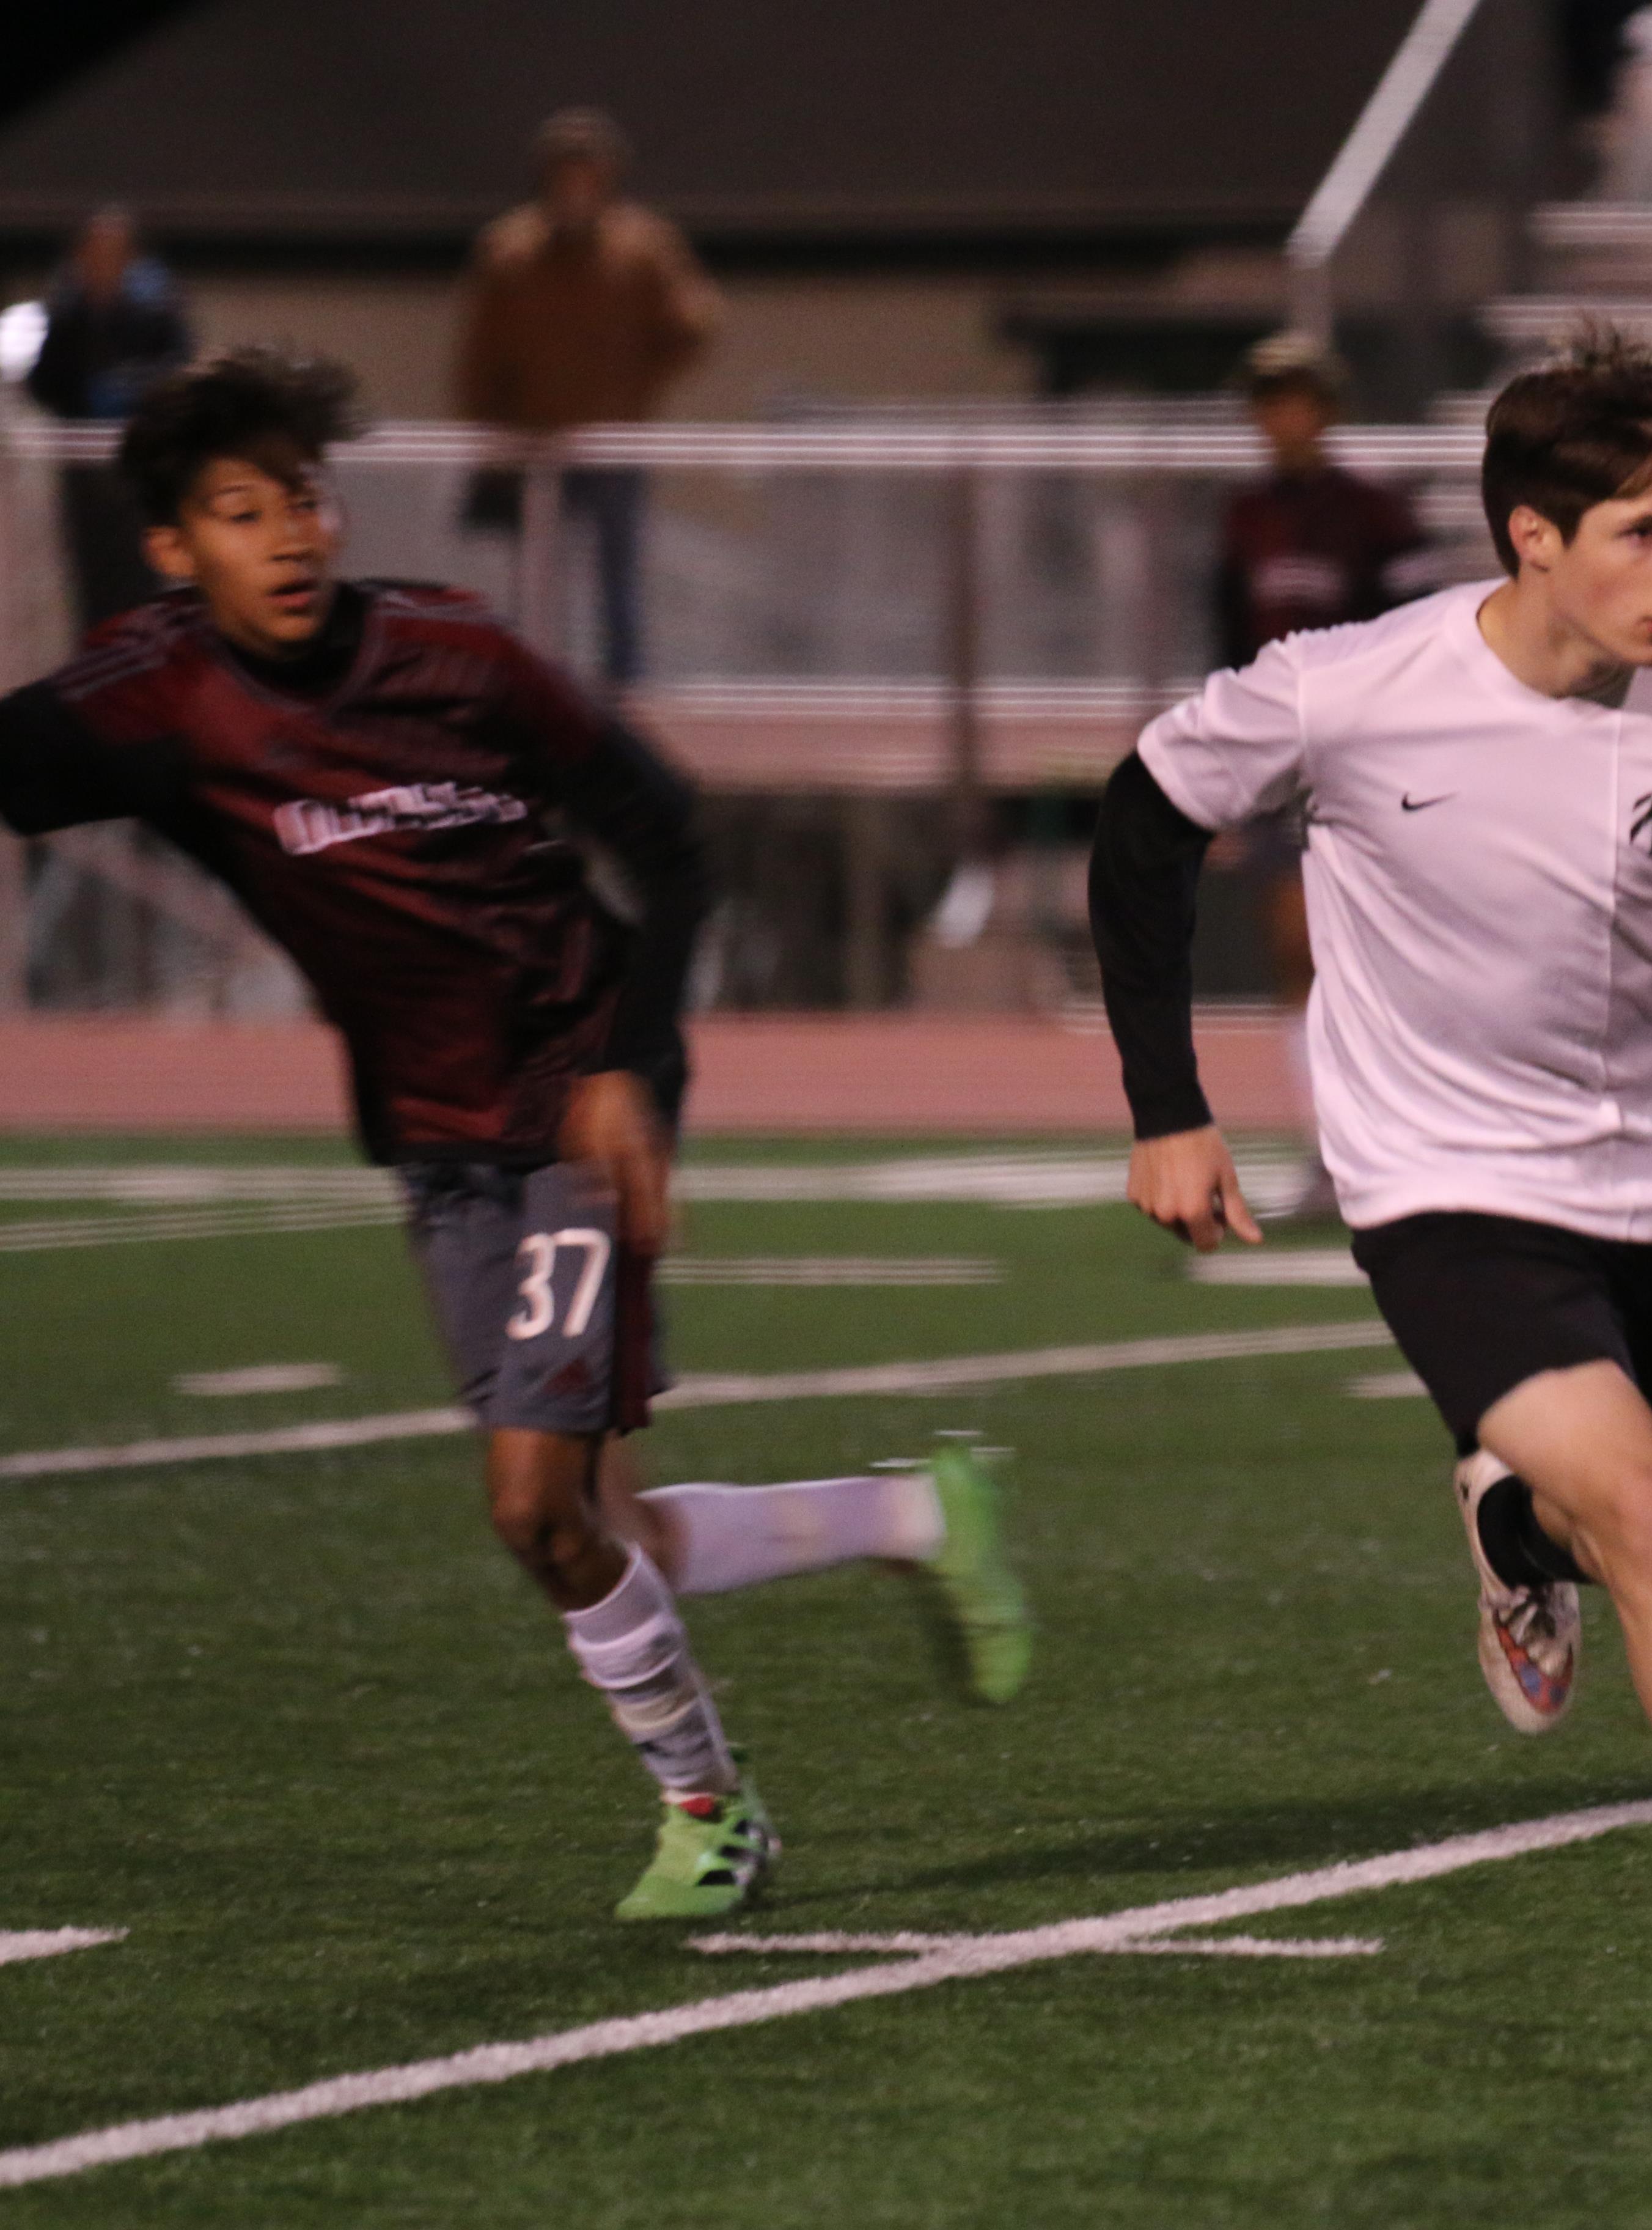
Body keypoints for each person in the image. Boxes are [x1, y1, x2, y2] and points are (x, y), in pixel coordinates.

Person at [0, 351, 1031, 1921]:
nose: (286, 535)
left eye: (303, 500)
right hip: (436, 1138)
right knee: (602, 1533)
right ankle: (907, 1513)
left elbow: (671, 844)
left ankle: (715, 1814)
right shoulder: (156, 697)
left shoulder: (454, 655)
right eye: (237, 511)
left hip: (578, 1101)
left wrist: (631, 1071)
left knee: (531, 1510)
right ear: (171, 549)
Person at [1088, 329, 1652, 2059]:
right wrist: (1167, 1108)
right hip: (1443, 1192)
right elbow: (1142, 822)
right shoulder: (1350, 683)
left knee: (1613, 1492)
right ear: (1532, 540)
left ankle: (1508, 1524)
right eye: (1644, 531)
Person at [1212, 334, 1441, 1222]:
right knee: (1295, 951)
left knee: (1386, 956)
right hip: (1286, 760)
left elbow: (1419, 638)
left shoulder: (1376, 511)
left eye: (1296, 397)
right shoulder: (1244, 517)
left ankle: (1405, 1139)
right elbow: (1230, 648)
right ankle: (1331, 1149)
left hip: (1372, 758)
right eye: (1268, 401)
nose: (1281, 418)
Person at [455, 109, 720, 690]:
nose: (575, 186)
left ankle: (626, 693)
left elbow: (693, 326)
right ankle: (535, 689)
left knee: (617, 576)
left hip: (613, 443)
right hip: (534, 444)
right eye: (564, 173)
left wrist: (639, 386)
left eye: (588, 173)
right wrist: (489, 435)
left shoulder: (642, 247)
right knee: (538, 581)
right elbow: (480, 355)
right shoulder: (510, 251)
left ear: (608, 178)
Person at [22, 207, 193, 631]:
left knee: (138, 566)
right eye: (94, 251)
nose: (102, 261)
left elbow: (179, 369)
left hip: (136, 463)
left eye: (113, 251)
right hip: (83, 473)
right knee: (90, 572)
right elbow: (43, 382)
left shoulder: (157, 309)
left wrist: (128, 388)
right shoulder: (69, 315)